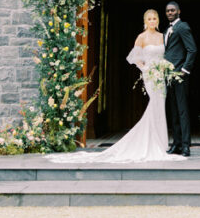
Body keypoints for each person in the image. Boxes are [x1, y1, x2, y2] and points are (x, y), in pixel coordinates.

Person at [46, 9, 186, 163]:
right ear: (145, 21)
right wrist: (145, 69)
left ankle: (160, 142)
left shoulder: (162, 36)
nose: (152, 21)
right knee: (154, 104)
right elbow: (134, 57)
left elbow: (167, 55)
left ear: (158, 21)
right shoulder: (141, 37)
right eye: (149, 19)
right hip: (150, 76)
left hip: (161, 76)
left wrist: (164, 67)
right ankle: (151, 142)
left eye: (154, 19)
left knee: (159, 106)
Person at [164, 0, 196, 157]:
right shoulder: (167, 30)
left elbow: (192, 50)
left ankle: (185, 146)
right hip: (169, 76)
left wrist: (184, 70)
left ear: (178, 11)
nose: (170, 13)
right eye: (168, 11)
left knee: (182, 111)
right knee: (174, 111)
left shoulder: (183, 27)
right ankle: (176, 143)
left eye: (172, 10)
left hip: (180, 75)